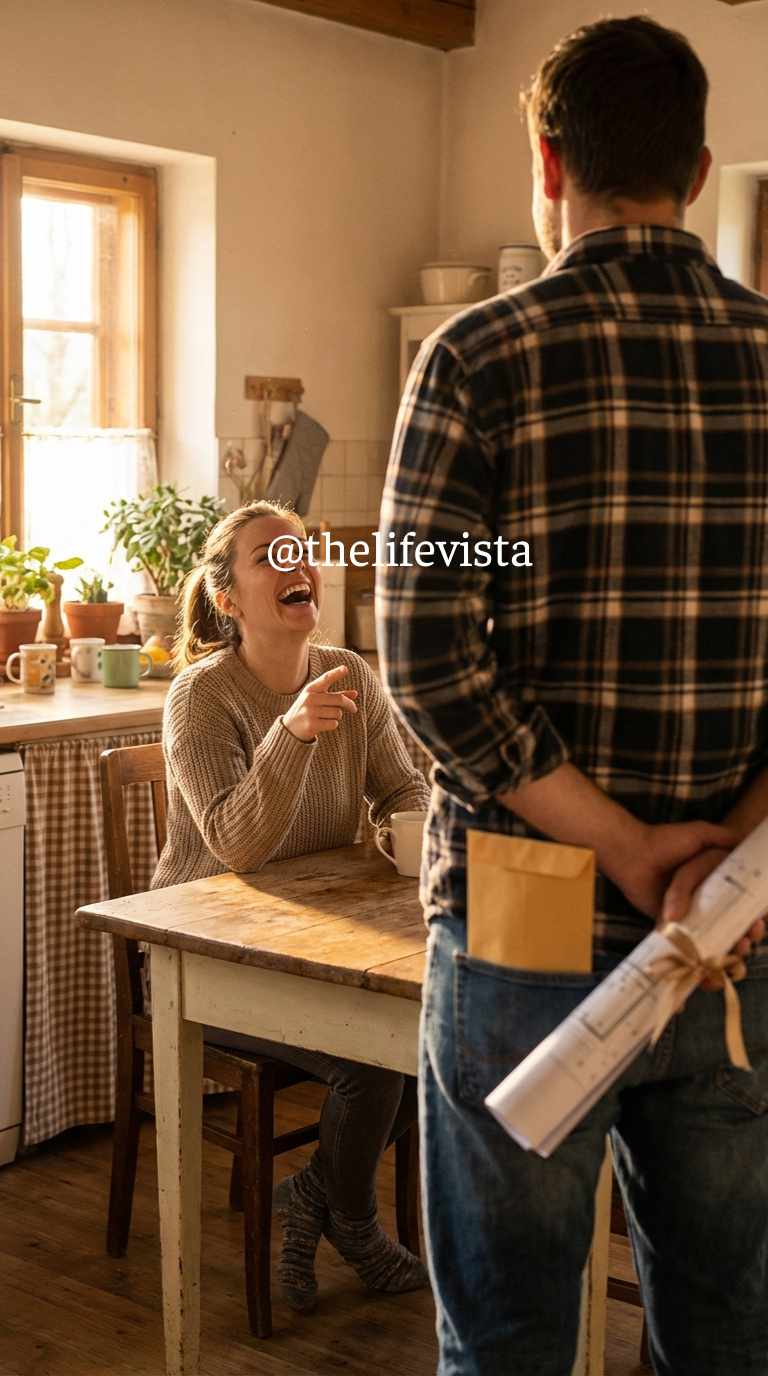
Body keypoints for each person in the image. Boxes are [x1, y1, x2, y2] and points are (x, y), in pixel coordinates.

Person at [377, 17, 768, 1376]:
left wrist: (612, 839)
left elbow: (425, 656)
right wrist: (722, 852)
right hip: (731, 930)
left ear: (550, 162)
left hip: (522, 923)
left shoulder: (477, 358)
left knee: (509, 1342)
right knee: (729, 1337)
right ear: (701, 170)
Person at [152, 499, 430, 1313]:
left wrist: (395, 826)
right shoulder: (201, 698)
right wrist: (294, 734)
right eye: (270, 555)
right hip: (208, 953)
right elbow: (237, 847)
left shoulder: (348, 671)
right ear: (228, 598)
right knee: (374, 1059)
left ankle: (313, 1195)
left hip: (316, 933)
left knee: (433, 1037)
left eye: (301, 551)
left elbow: (404, 784)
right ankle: (351, 1219)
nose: (297, 566)